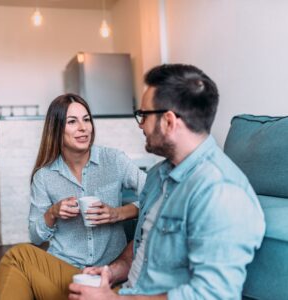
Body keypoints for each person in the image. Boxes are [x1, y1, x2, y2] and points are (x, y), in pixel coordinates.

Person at [68, 64, 266, 300]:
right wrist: (111, 272)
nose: (140, 124)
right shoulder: (156, 176)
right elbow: (145, 243)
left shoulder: (221, 192)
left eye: (144, 115)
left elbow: (213, 295)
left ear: (169, 122)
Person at [0, 93, 146, 300]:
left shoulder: (114, 160)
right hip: (64, 270)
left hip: (108, 275)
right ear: (56, 130)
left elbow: (157, 194)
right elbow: (35, 237)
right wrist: (52, 213)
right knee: (17, 257)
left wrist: (119, 213)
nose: (83, 128)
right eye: (72, 122)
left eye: (86, 119)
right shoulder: (45, 177)